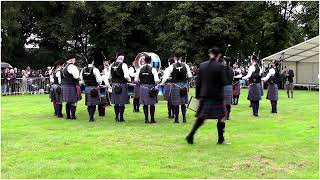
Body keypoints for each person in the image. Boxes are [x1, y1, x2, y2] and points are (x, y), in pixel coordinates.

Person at [186, 47, 228, 145]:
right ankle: (221, 140)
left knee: (201, 117)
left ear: (210, 54)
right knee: (221, 117)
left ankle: (190, 135)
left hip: (204, 96)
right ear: (218, 55)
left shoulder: (202, 65)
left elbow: (198, 83)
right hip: (217, 96)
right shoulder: (220, 66)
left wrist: (197, 97)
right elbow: (224, 82)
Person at [161, 53, 192, 123]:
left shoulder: (171, 66)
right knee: (183, 103)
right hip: (184, 86)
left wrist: (162, 83)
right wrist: (186, 82)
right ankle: (184, 118)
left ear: (174, 58)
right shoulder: (186, 66)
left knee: (175, 104)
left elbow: (165, 77)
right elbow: (190, 76)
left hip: (175, 86)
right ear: (181, 58)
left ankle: (177, 119)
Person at [135, 54, 160, 123]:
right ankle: (152, 119)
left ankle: (146, 119)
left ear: (144, 61)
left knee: (145, 104)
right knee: (152, 104)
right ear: (150, 61)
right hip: (151, 88)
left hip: (142, 88)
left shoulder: (140, 69)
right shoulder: (153, 69)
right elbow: (157, 80)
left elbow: (136, 79)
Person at [108, 52, 131, 122]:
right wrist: (129, 80)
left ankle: (116, 117)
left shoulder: (111, 65)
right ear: (122, 58)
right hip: (122, 84)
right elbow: (126, 76)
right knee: (122, 102)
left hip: (114, 85)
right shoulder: (123, 65)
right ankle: (121, 117)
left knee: (116, 102)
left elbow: (109, 76)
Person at [80, 53, 103, 122]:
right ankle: (91, 117)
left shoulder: (83, 70)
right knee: (93, 104)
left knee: (89, 104)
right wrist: (99, 84)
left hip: (87, 88)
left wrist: (85, 84)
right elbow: (99, 80)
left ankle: (90, 116)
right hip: (94, 88)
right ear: (92, 61)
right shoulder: (95, 69)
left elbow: (81, 79)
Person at [61, 54, 81, 120]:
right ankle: (73, 116)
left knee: (68, 102)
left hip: (66, 85)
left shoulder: (64, 67)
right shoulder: (72, 66)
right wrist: (80, 79)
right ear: (71, 59)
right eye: (74, 59)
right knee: (73, 101)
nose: (75, 60)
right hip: (72, 85)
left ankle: (68, 116)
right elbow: (76, 76)